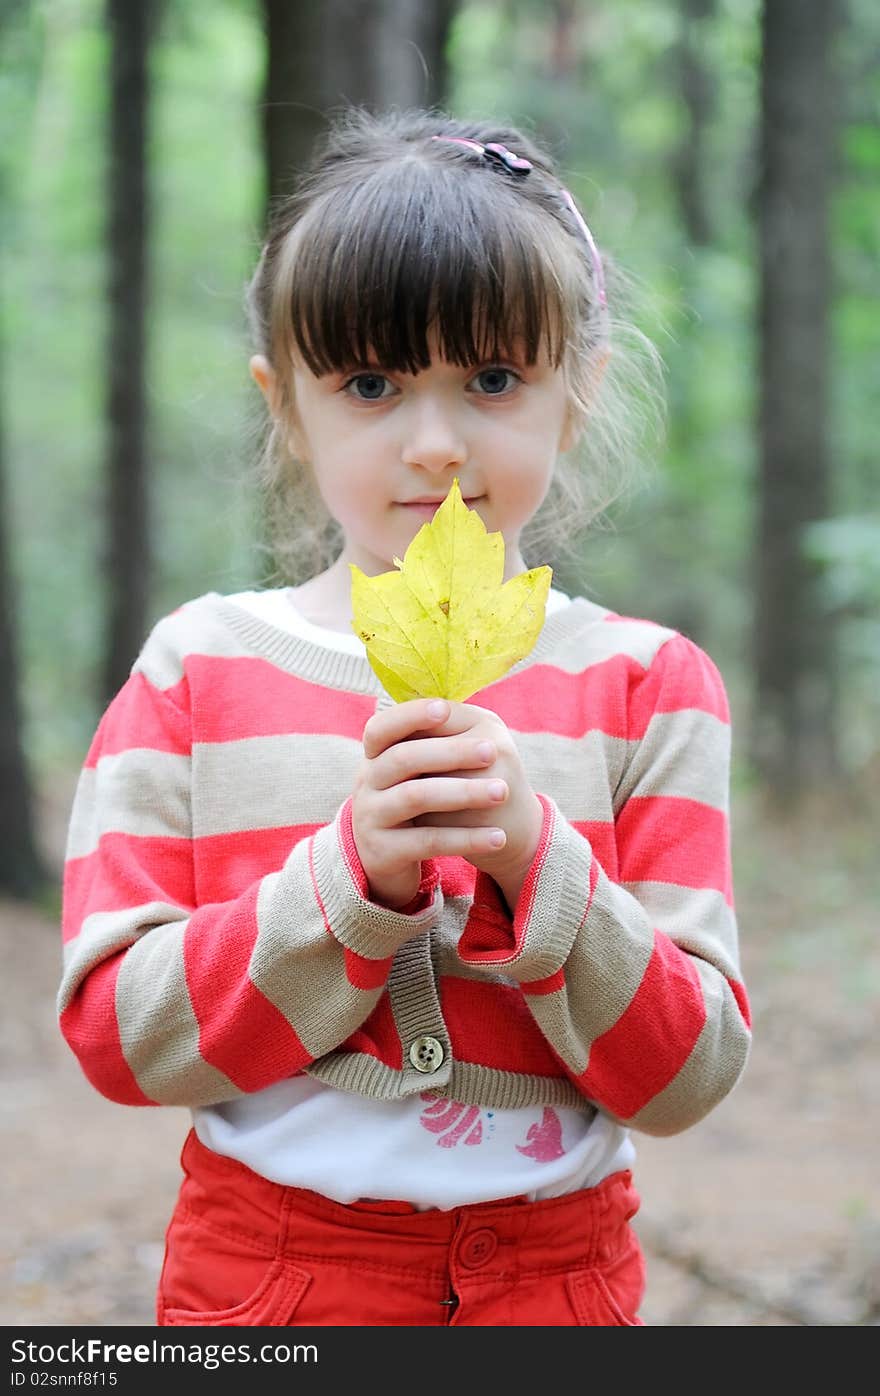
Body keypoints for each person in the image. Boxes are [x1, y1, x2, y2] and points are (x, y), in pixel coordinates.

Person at [58, 107, 751, 1328]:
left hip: (560, 1279)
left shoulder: (648, 687)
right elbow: (122, 1039)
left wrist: (537, 860)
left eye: (491, 378)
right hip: (271, 1276)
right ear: (286, 402)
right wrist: (345, 886)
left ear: (577, 387)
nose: (435, 445)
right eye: (370, 384)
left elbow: (687, 1075)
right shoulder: (193, 671)